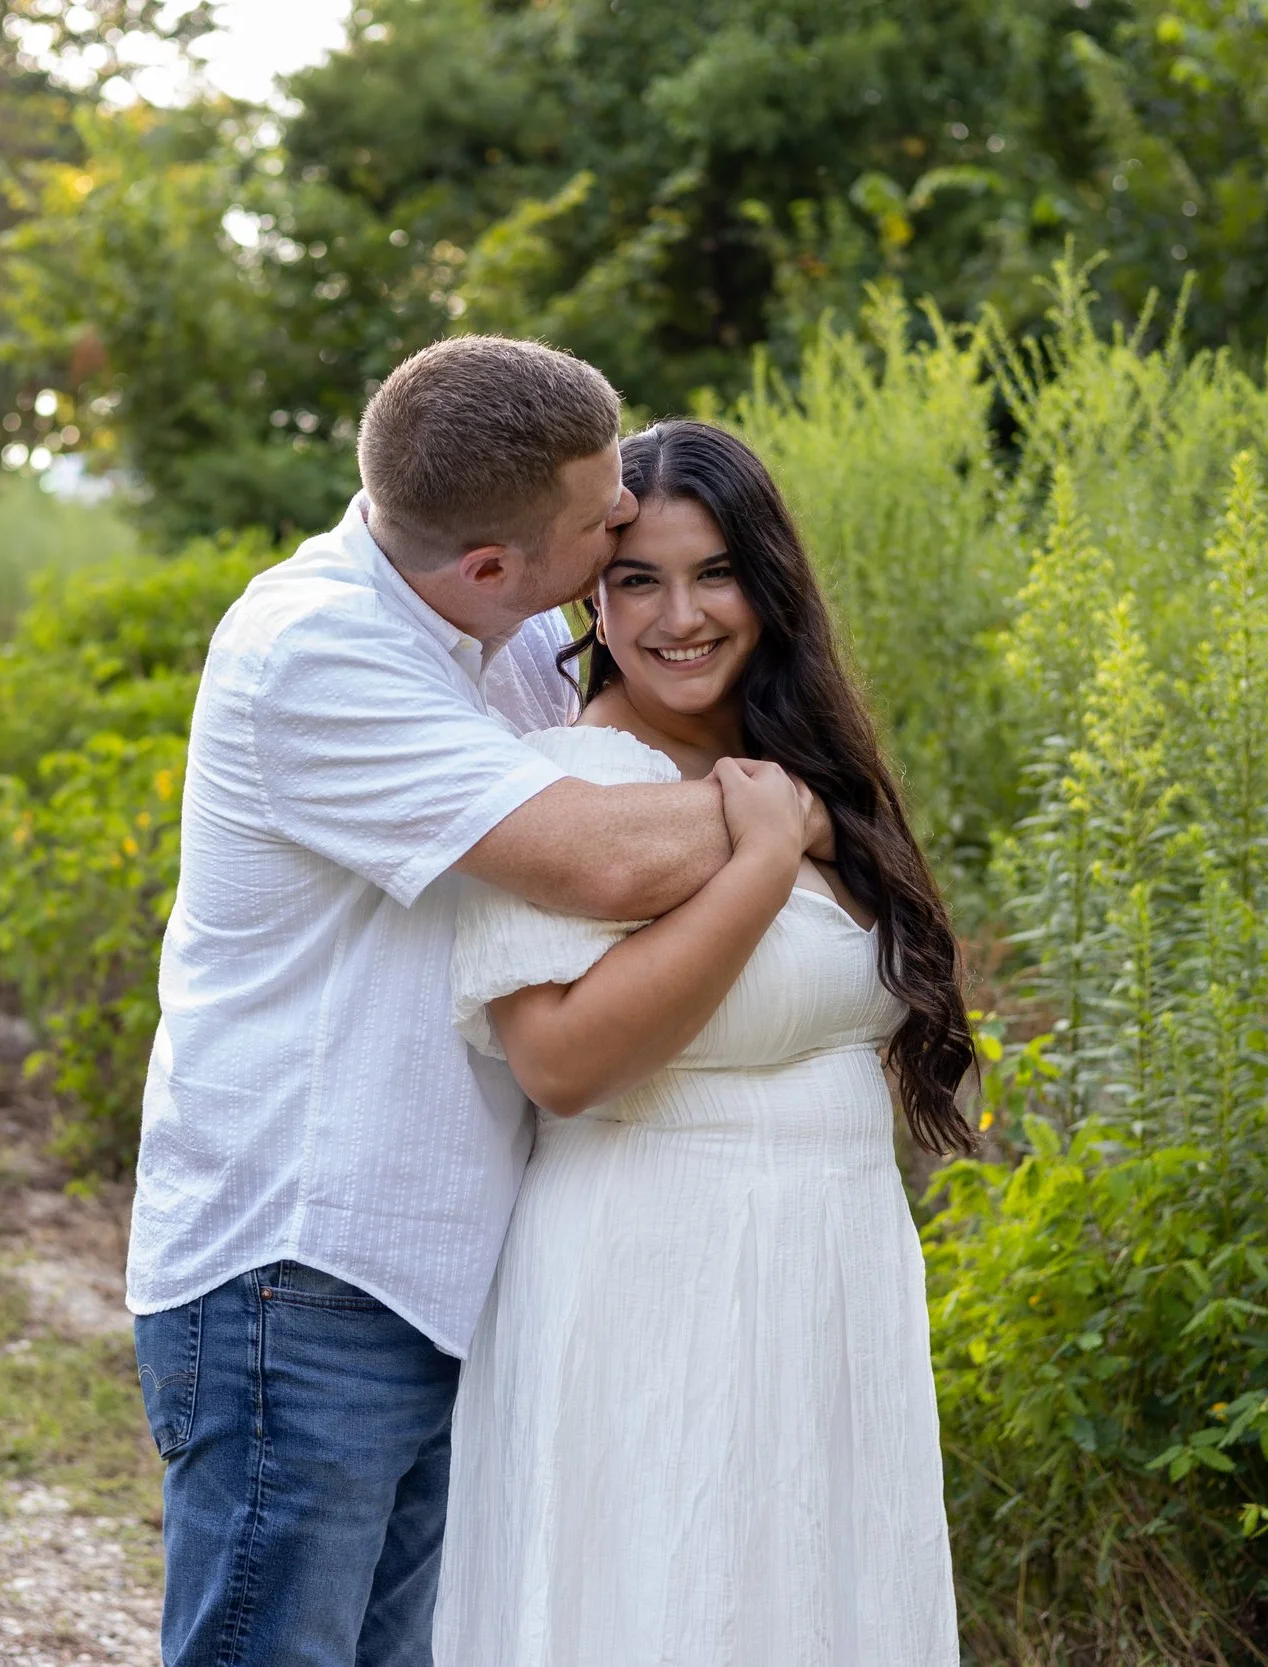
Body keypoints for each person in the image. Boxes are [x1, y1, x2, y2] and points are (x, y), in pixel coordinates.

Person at [126, 341, 830, 1667]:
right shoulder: (318, 650)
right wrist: (802, 816)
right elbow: (604, 852)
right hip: (303, 1268)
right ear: (498, 564)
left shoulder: (488, 634)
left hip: (434, 1276)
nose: (625, 514)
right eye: (604, 522)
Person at [433, 419, 976, 1666]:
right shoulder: (566, 784)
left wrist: (796, 819)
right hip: (651, 1270)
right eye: (638, 578)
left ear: (769, 584)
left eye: (715, 570)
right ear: (594, 594)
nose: (681, 614)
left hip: (833, 1263)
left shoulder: (800, 767)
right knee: (661, 1607)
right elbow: (560, 1064)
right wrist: (763, 855)